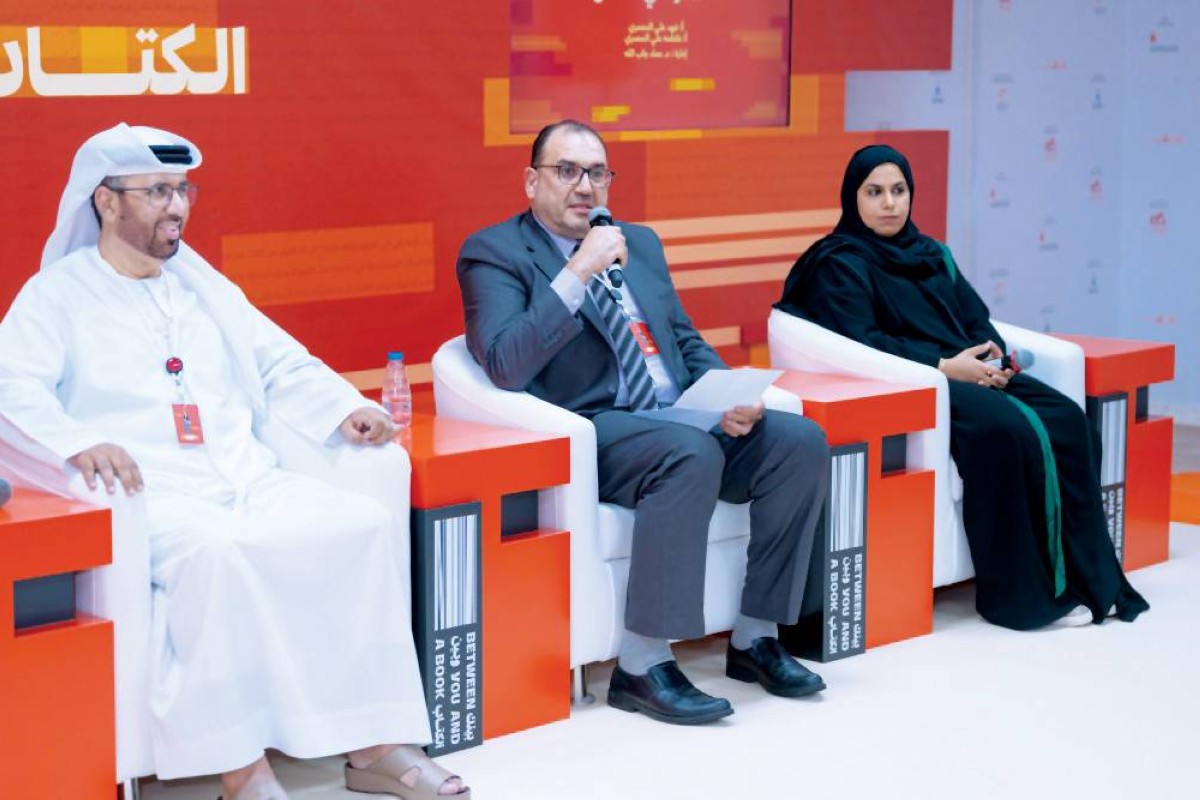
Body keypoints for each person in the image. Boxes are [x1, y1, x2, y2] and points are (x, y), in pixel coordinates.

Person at [0, 124, 469, 800]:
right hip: (154, 495)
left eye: (182, 191)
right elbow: (11, 387)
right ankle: (243, 773)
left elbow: (278, 361)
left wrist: (341, 407)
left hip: (246, 477)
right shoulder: (57, 295)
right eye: (158, 192)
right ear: (105, 201)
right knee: (214, 554)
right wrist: (76, 443)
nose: (177, 207)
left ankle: (373, 747)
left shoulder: (200, 287)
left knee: (360, 526)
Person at [456, 119, 831, 725]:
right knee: (689, 453)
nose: (585, 187)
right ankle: (641, 664)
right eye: (566, 171)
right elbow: (504, 363)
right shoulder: (494, 252)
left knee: (799, 440)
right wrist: (577, 271)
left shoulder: (640, 243)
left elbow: (681, 337)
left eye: (597, 173)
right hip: (594, 428)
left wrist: (727, 394)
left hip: (677, 417)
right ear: (531, 181)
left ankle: (756, 637)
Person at [776, 143, 1148, 631]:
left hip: (970, 369)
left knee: (1068, 420)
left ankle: (1090, 578)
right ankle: (1024, 597)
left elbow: (976, 318)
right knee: (1008, 432)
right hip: (916, 380)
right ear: (853, 197)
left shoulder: (932, 254)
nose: (889, 203)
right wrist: (945, 367)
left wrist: (994, 358)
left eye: (898, 190)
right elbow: (865, 340)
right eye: (874, 192)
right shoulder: (839, 262)